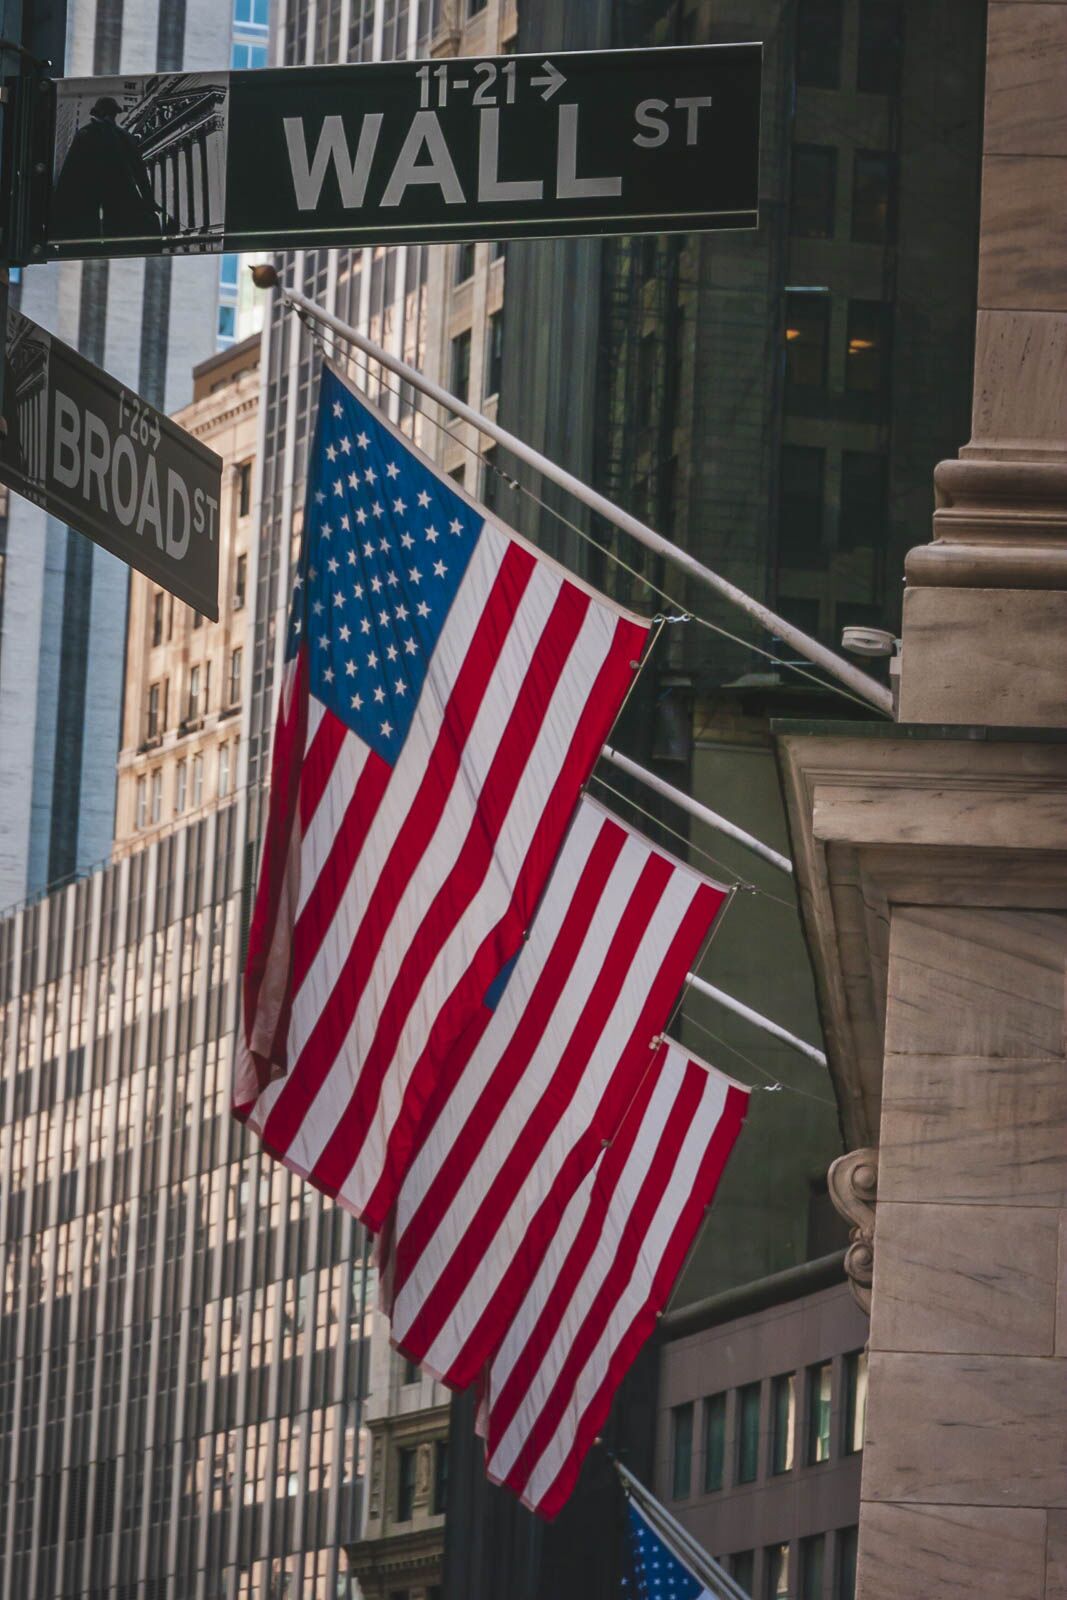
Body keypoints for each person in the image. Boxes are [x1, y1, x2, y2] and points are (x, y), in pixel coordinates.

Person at [52, 96, 164, 241]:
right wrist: (149, 201)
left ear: (97, 113)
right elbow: (140, 174)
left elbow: (69, 174)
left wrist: (60, 205)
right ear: (113, 114)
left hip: (93, 200)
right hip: (117, 200)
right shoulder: (124, 136)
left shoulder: (86, 134)